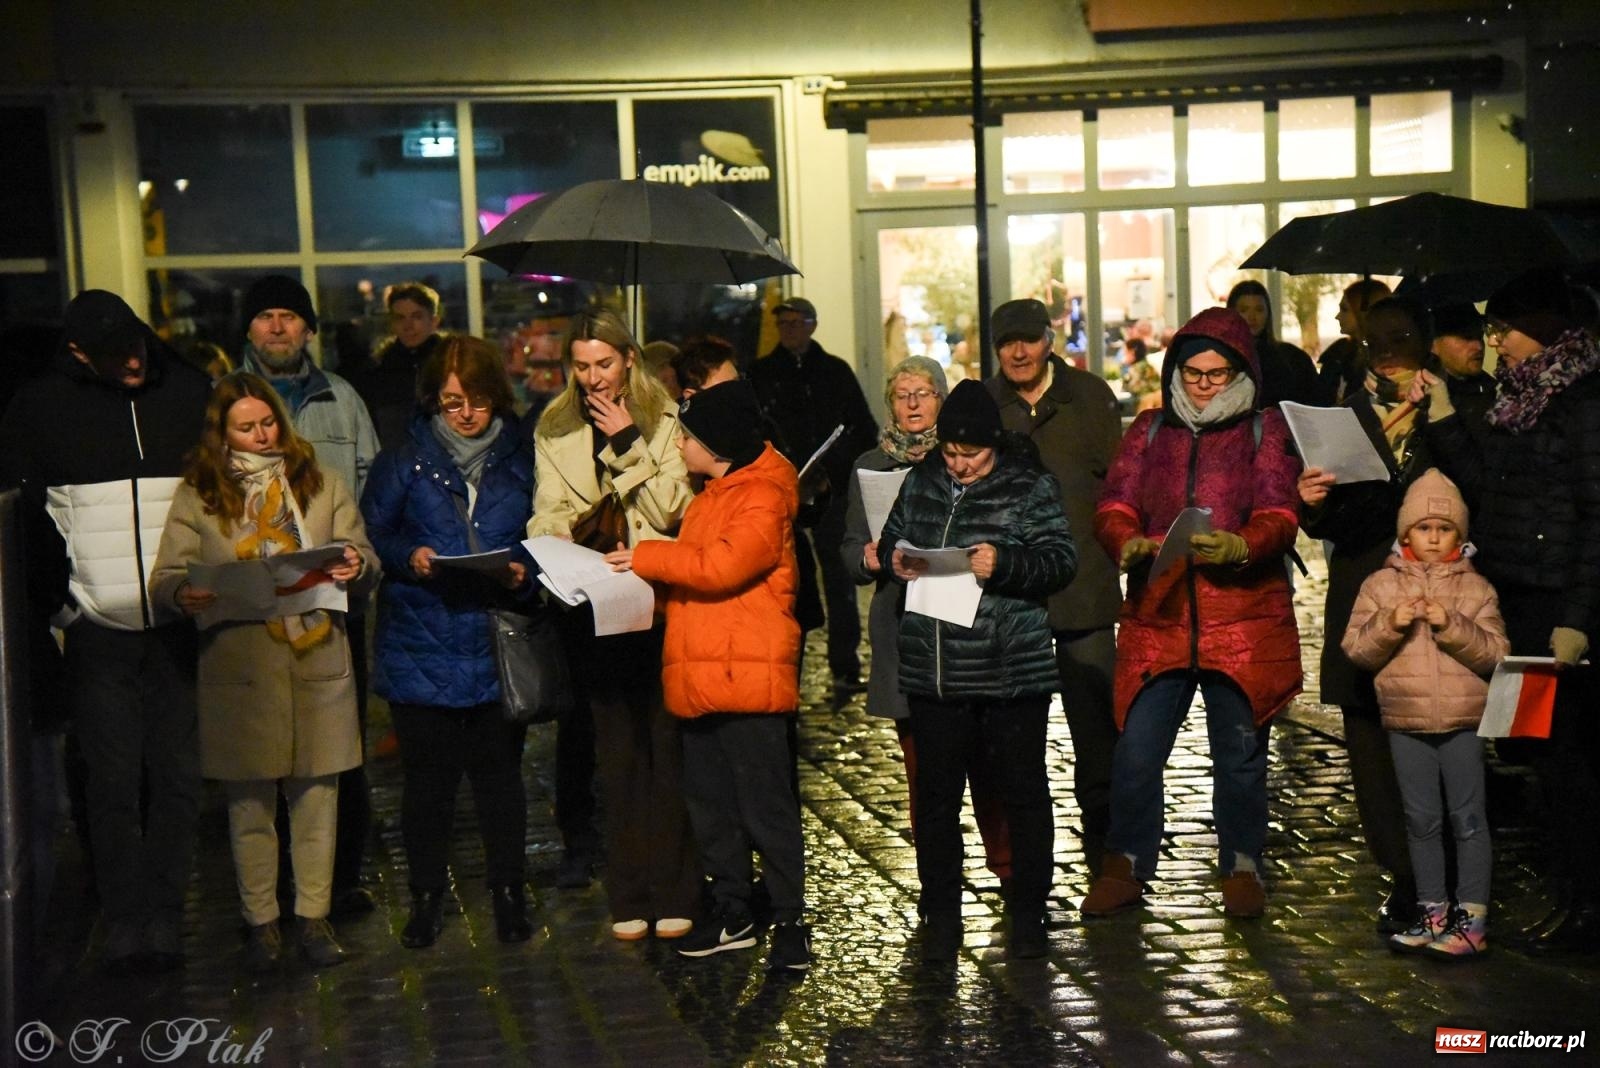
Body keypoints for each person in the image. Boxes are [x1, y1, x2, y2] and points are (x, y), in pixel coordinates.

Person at [0, 290, 210, 973]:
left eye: (136, 350)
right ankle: (126, 918)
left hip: (180, 621)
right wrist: (61, 611)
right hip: (96, 630)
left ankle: (167, 913)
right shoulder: (38, 410)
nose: (131, 365)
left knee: (178, 776)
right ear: (77, 354)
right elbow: (23, 523)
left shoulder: (190, 392)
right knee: (111, 780)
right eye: (114, 357)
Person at [149, 372, 378, 972]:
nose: (261, 434)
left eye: (268, 422)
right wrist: (184, 595)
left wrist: (356, 563)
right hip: (241, 668)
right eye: (246, 427)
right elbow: (168, 576)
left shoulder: (319, 483)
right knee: (249, 808)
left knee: (316, 802)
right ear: (222, 435)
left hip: (316, 658)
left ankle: (313, 917)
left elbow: (361, 551)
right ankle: (261, 923)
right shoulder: (200, 493)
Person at [1081, 307, 1302, 920]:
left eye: (1217, 374)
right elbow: (1116, 501)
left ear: (1240, 374)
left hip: (1243, 622)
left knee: (1239, 755)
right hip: (1161, 617)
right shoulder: (1151, 430)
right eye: (1194, 373)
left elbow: (1280, 513)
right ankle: (1124, 863)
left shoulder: (1265, 432)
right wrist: (1125, 539)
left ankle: (1242, 865)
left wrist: (1243, 544)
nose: (1204, 385)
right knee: (1137, 752)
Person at [1419, 268, 1600, 954]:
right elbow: (1487, 479)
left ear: (1545, 329)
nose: (1495, 343)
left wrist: (1578, 617)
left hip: (1560, 610)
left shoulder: (1581, 402)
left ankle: (1587, 902)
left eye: (1504, 329)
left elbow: (1594, 516)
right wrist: (1439, 414)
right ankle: (1571, 892)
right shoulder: (1518, 398)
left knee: (1570, 759)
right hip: (1517, 603)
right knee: (1534, 753)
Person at [606, 379, 812, 971]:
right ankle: (733, 913)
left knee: (765, 807)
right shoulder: (712, 493)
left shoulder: (764, 496)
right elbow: (697, 581)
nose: (678, 448)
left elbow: (721, 568)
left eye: (687, 438)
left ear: (717, 446)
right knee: (712, 807)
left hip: (746, 680)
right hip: (702, 676)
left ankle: (790, 920)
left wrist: (646, 557)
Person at [878, 380, 1078, 962]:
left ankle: (1028, 910)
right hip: (935, 672)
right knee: (936, 799)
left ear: (994, 446)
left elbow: (1061, 560)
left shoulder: (1029, 485)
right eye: (951, 453)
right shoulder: (921, 481)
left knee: (1021, 793)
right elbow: (894, 538)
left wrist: (1005, 562)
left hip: (1007, 672)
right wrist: (894, 559)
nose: (960, 465)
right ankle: (940, 911)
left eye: (972, 454)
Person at [527, 307, 700, 940]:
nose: (594, 378)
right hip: (593, 601)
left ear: (629, 359)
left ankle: (678, 886)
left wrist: (628, 442)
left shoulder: (665, 420)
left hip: (657, 598)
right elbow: (545, 510)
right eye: (582, 365)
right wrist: (560, 542)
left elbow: (673, 510)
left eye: (605, 363)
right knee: (617, 752)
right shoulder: (555, 425)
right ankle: (630, 892)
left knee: (666, 749)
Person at [359, 336, 537, 949]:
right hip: (422, 641)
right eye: (453, 400)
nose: (466, 413)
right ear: (434, 398)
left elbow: (546, 531)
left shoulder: (521, 458)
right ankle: (427, 895)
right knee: (427, 787)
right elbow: (373, 532)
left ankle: (510, 892)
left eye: (479, 399)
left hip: (494, 641)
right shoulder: (403, 459)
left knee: (500, 783)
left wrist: (522, 568)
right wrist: (411, 555)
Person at [237, 273, 383, 918]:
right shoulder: (226, 401)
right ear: (248, 327)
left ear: (308, 328)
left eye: (289, 317)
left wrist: (362, 561)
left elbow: (368, 493)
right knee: (259, 756)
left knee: (338, 747)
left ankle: (338, 881)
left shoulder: (342, 399)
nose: (277, 326)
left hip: (331, 609)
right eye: (265, 315)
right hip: (253, 615)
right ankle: (266, 893)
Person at [840, 357, 1014, 890]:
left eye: (924, 393)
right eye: (901, 394)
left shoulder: (964, 457)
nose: (913, 404)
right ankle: (938, 878)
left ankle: (1006, 865)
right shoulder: (871, 464)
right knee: (924, 770)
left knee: (987, 761)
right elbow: (848, 550)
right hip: (903, 626)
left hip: (966, 622)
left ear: (942, 400)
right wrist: (868, 558)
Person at [1298, 296, 1438, 933]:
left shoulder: (1450, 408)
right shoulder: (1347, 417)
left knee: (1439, 738)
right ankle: (1404, 876)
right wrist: (1314, 502)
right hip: (1363, 594)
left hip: (1437, 604)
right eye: (1375, 338)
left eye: (1400, 335)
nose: (1386, 348)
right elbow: (1336, 520)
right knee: (1370, 744)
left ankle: (1448, 873)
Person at [1341, 469, 1507, 960]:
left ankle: (1471, 920)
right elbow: (1357, 650)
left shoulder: (1476, 591)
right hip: (1405, 721)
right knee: (1421, 820)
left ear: (1461, 535)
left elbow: (1496, 654)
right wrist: (1391, 622)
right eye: (1424, 528)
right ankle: (1432, 914)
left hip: (1461, 723)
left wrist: (1450, 623)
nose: (1434, 539)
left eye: (1445, 529)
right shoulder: (1379, 586)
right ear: (1405, 533)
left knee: (1469, 819)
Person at [983, 298, 1123, 876]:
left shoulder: (1088, 397)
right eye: (1007, 343)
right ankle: (1026, 862)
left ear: (1050, 339)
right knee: (1015, 743)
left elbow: (1119, 487)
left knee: (1097, 735)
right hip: (1010, 600)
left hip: (1083, 591)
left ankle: (1109, 854)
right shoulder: (987, 404)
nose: (1018, 352)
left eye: (1029, 339)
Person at [747, 297, 878, 704]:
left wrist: (828, 473)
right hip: (777, 497)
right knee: (782, 585)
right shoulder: (762, 374)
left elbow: (861, 430)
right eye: (782, 321)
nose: (789, 328)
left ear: (812, 325)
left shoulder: (834, 372)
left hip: (828, 494)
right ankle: (782, 665)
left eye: (796, 321)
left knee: (839, 582)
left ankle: (845, 665)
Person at [356, 282, 447, 455]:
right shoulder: (378, 371)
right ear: (392, 323)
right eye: (400, 318)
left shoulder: (452, 364)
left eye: (417, 316)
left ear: (434, 321)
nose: (408, 326)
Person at [1226, 279, 1321, 408]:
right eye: (1244, 310)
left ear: (1268, 313)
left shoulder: (1292, 358)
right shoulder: (1221, 359)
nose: (1252, 317)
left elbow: (1314, 402)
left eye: (1259, 310)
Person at [1429, 302, 1496, 446]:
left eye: (1479, 336)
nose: (1479, 346)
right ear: (1433, 344)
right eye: (1466, 338)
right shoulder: (1421, 396)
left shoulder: (1489, 391)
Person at [1318, 278, 1392, 406]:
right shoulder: (1339, 352)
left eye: (1345, 309)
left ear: (1364, 311)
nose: (1337, 316)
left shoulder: (1386, 360)